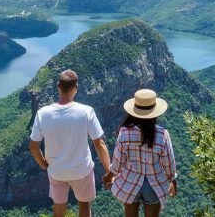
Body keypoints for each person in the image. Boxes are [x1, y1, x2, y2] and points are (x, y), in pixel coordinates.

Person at [29, 69, 112, 217]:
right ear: (76, 88)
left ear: (58, 86)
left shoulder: (43, 113)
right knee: (84, 205)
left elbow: (33, 147)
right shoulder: (86, 111)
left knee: (59, 207)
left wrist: (44, 164)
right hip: (82, 170)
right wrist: (109, 171)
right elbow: (100, 145)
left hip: (56, 171)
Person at [103, 89, 178, 217]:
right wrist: (173, 181)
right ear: (154, 112)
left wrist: (109, 176)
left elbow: (118, 161)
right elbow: (169, 163)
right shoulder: (162, 134)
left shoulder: (124, 132)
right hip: (154, 185)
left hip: (130, 182)